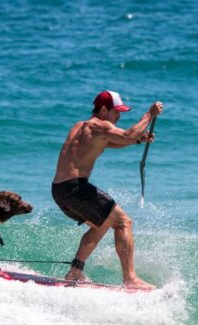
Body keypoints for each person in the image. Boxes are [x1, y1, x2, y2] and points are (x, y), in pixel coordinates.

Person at [51, 90, 163, 289]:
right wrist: (149, 115)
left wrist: (138, 140)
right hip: (76, 188)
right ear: (104, 110)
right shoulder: (99, 125)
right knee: (123, 222)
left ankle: (75, 271)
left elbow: (115, 141)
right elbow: (127, 134)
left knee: (101, 223)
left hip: (59, 190)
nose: (118, 116)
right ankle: (130, 278)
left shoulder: (81, 126)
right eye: (116, 112)